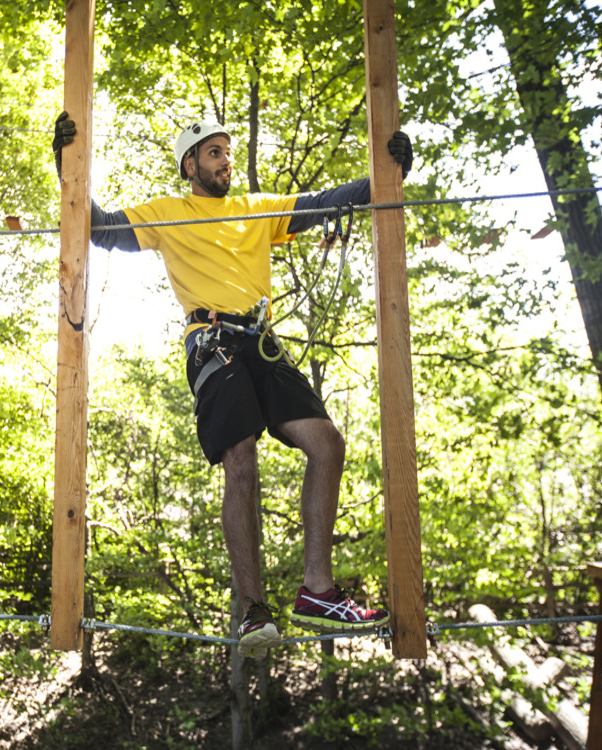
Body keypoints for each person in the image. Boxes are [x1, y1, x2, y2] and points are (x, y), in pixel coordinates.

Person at [53, 112, 412, 658]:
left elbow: (326, 200)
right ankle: (253, 611)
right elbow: (100, 227)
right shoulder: (168, 214)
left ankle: (318, 590)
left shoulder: (256, 209)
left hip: (261, 339)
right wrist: (66, 166)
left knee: (326, 443)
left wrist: (387, 172)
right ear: (190, 165)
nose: (224, 160)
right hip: (212, 341)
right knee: (240, 459)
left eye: (226, 150)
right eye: (213, 153)